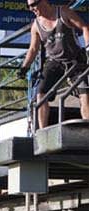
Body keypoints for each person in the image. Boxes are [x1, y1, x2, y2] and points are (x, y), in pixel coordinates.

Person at [20, 0, 89, 128]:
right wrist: (24, 67)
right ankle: (42, 132)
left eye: (33, 4)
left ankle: (87, 128)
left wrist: (88, 47)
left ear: (44, 1)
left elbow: (85, 28)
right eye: (28, 6)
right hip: (55, 62)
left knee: (84, 93)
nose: (31, 8)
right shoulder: (36, 25)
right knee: (41, 93)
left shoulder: (63, 12)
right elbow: (33, 49)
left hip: (74, 59)